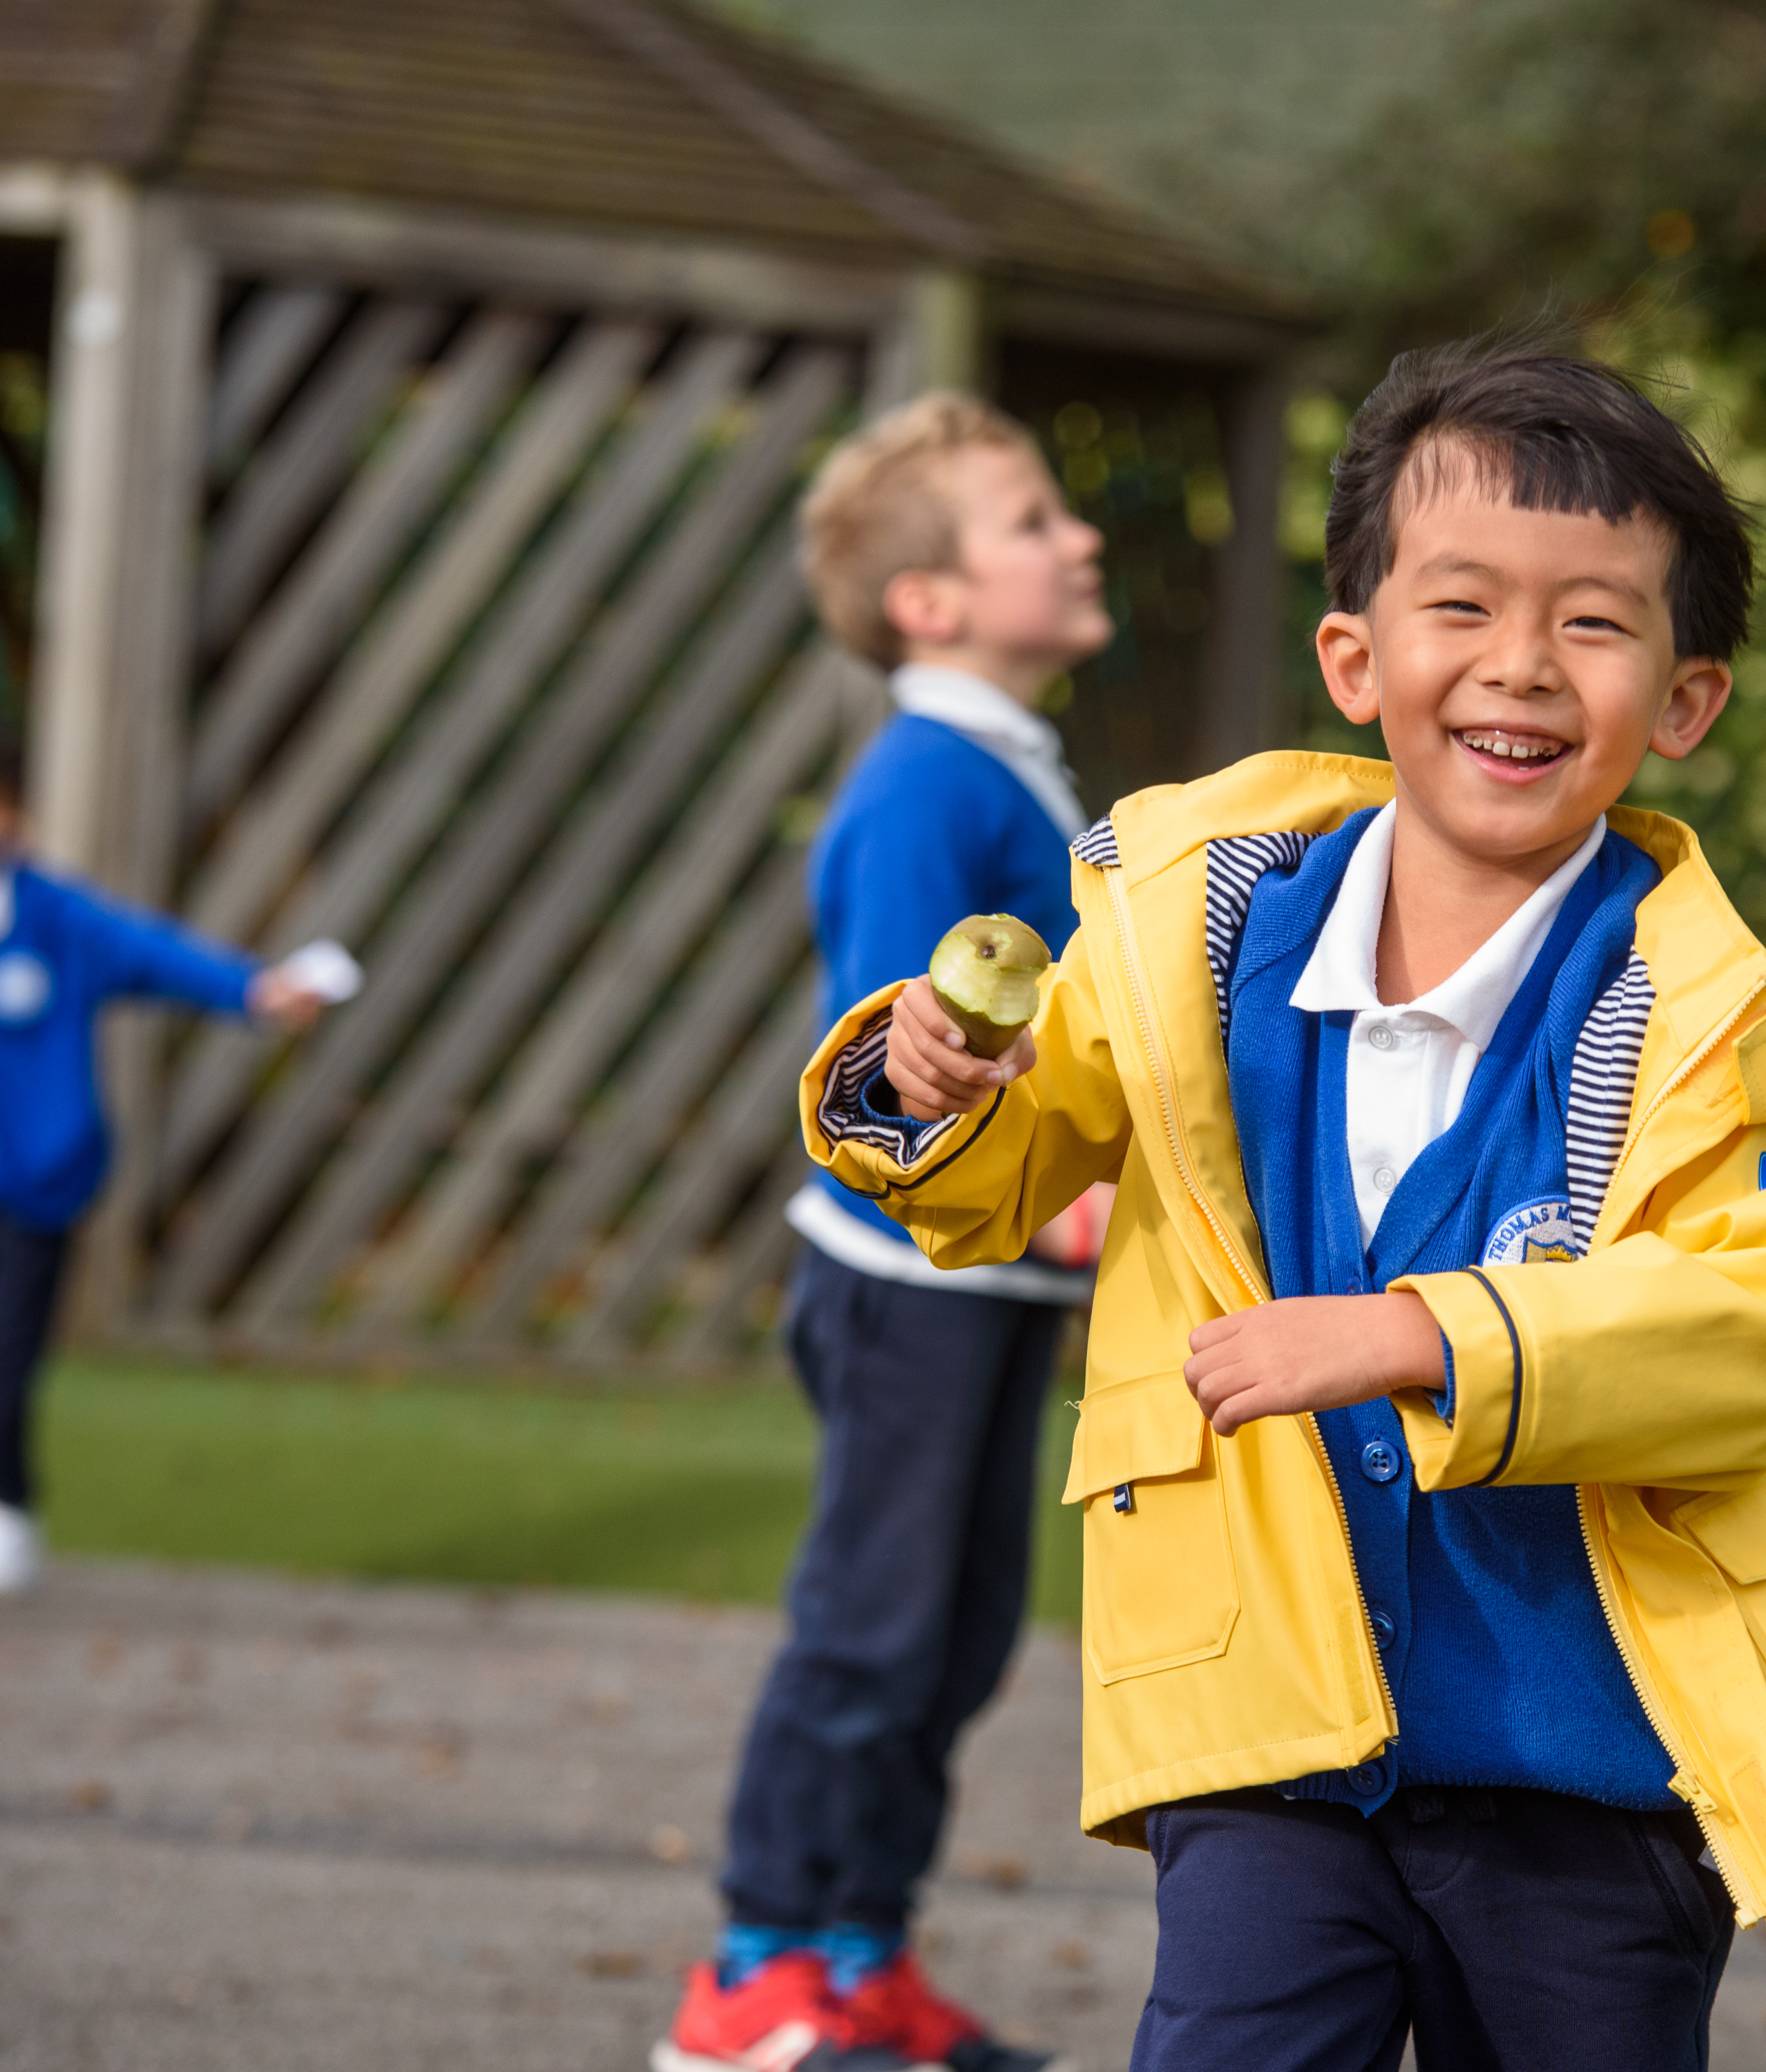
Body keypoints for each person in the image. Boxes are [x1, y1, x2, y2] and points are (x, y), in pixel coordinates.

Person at [806, 342, 1766, 2072]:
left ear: (1687, 701)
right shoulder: (1192, 925)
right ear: (1356, 656)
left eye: (1596, 624)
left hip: (1591, 1765)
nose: (1521, 667)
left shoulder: (1715, 1017)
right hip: (1269, 1736)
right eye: (1461, 604)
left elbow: (1748, 1335)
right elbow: (1005, 1164)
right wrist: (925, 1076)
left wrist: (1424, 1332)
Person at [658, 394, 1109, 2072]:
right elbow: (885, 1066)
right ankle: (753, 1976)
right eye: (1030, 520)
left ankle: (864, 1958)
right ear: (928, 602)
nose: (1078, 538)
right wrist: (1060, 1190)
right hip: (908, 1290)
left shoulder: (1006, 759)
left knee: (957, 1633)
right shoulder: (924, 782)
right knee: (870, 1629)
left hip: (987, 1295)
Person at [0, 709, 331, 1601]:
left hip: (35, 1181)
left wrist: (253, 991)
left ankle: (4, 1519)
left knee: (8, 1360)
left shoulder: (51, 917)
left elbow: (151, 955)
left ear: (9, 809)